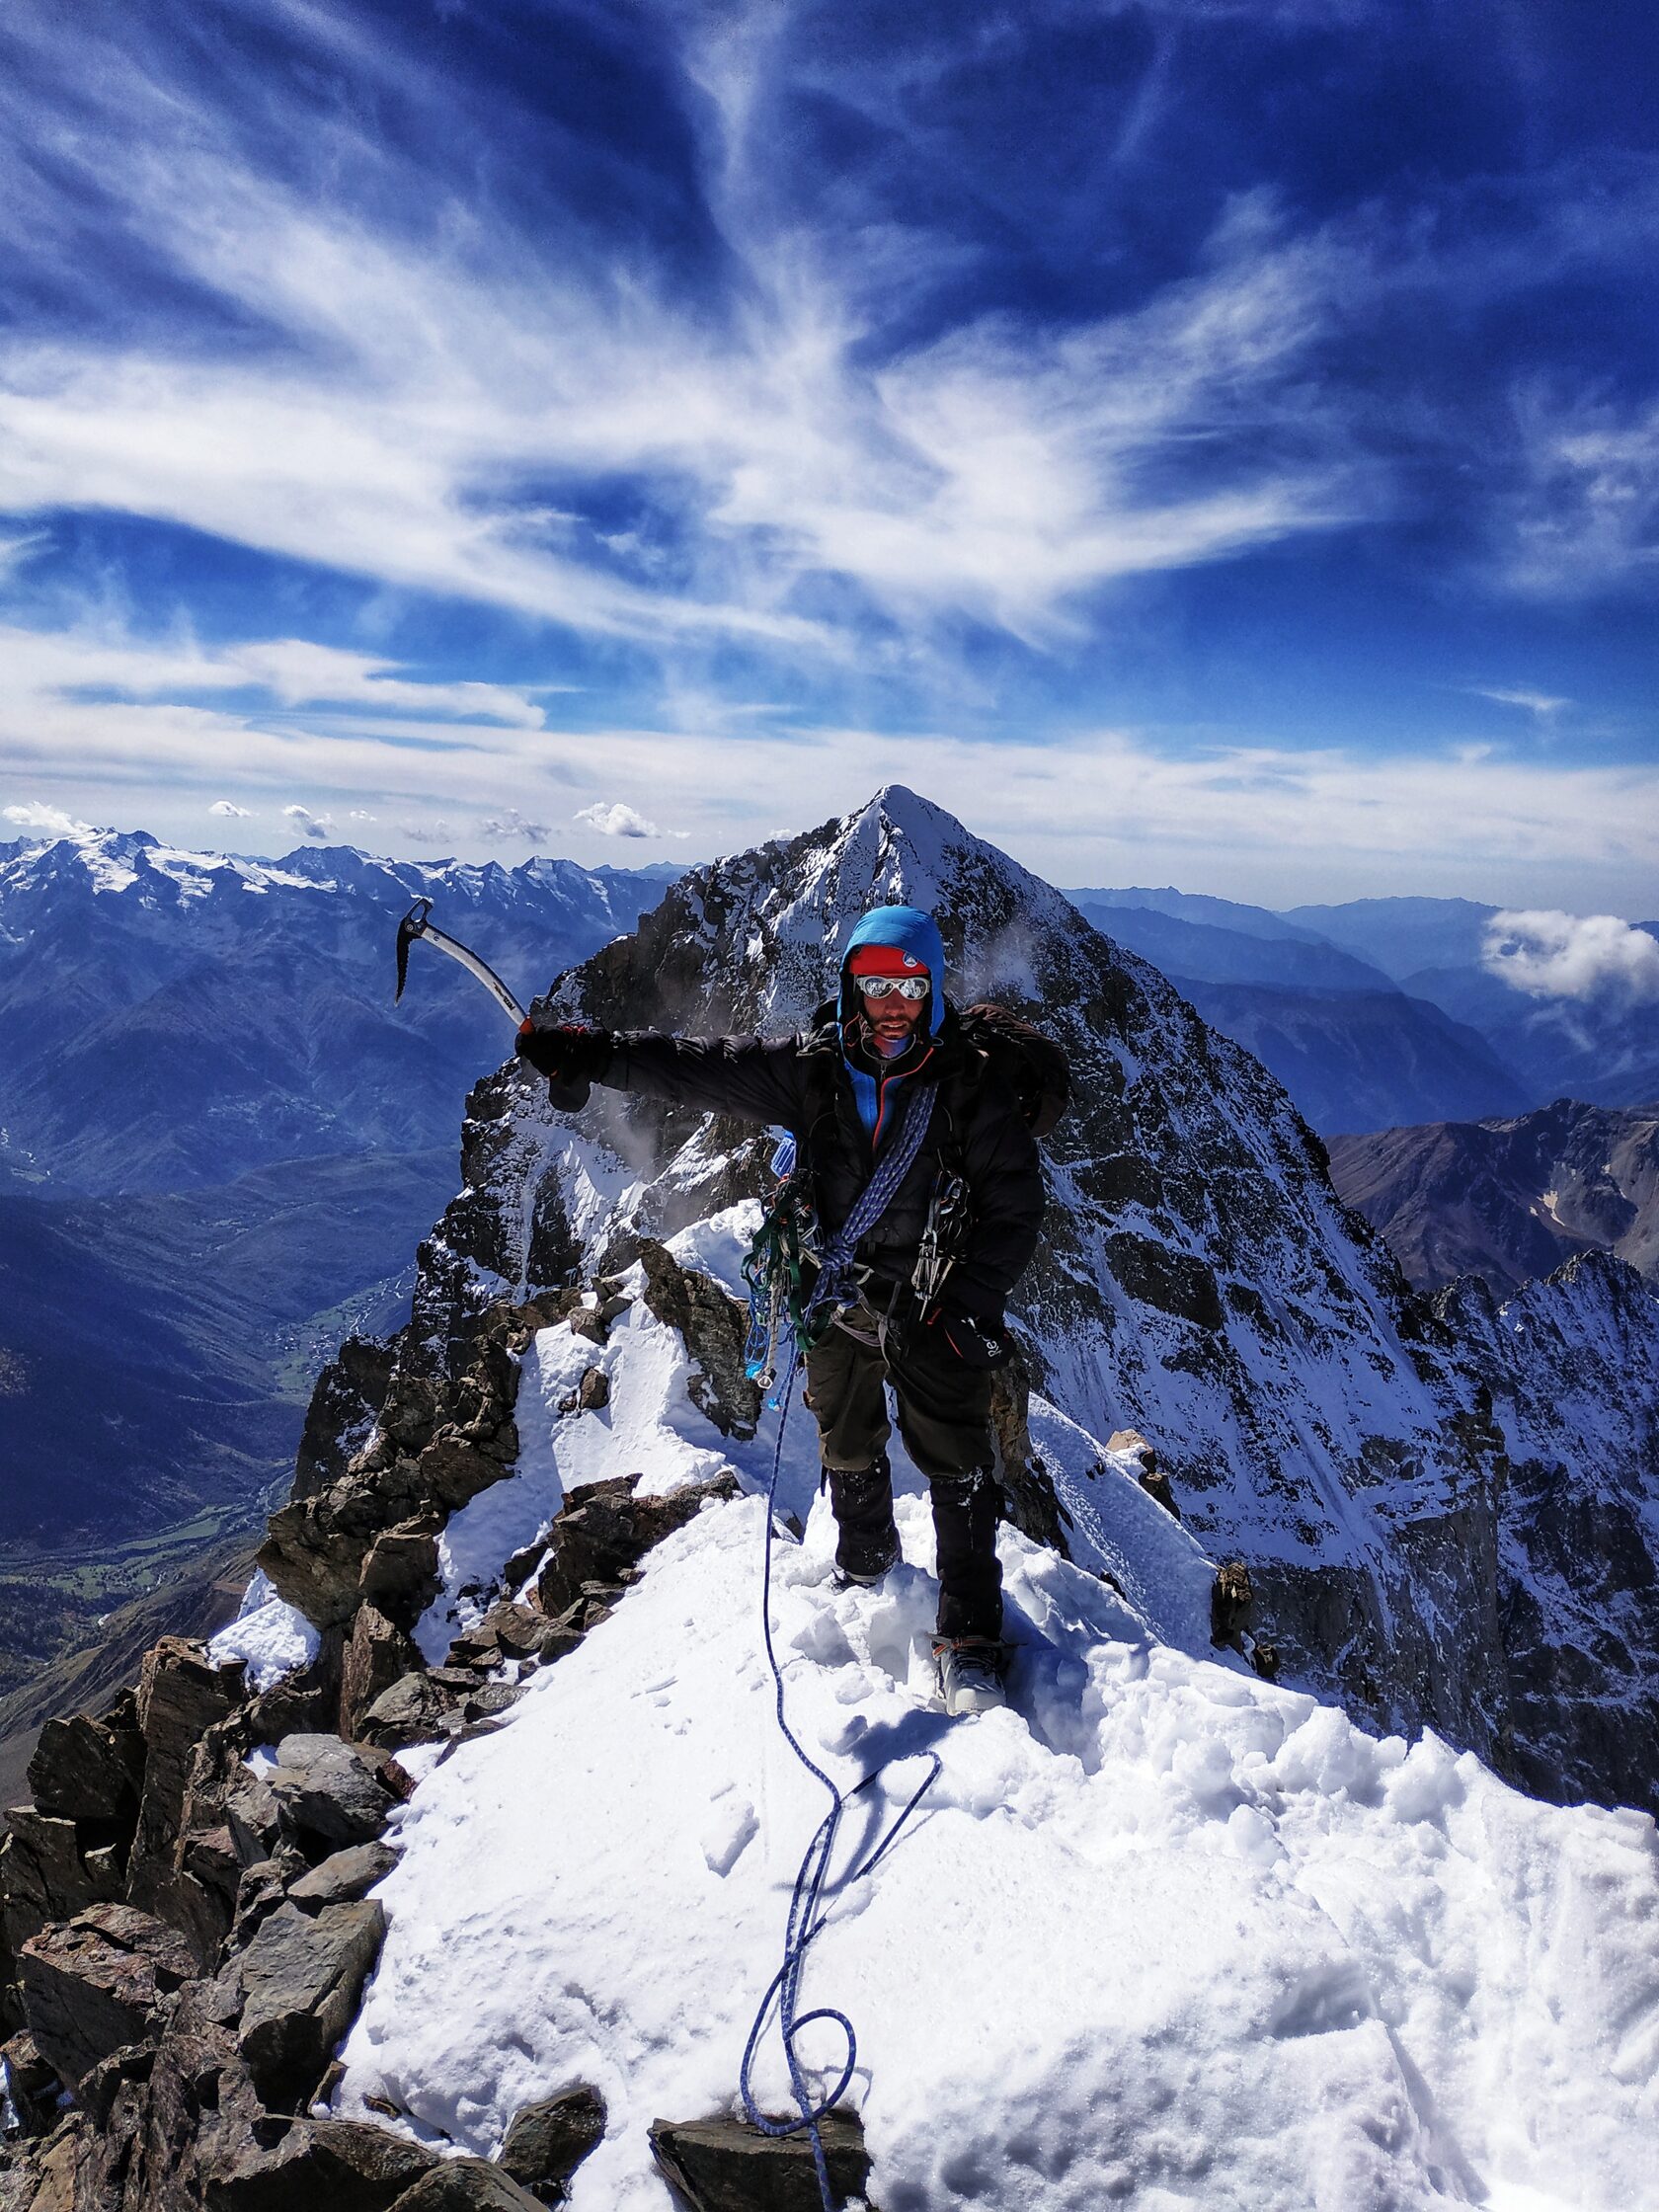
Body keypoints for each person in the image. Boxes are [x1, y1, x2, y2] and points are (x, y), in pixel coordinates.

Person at [514, 904, 1045, 1715]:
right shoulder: (815, 1069)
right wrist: (596, 1052)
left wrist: (968, 1304)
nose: (893, 1003)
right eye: (876, 986)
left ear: (933, 988)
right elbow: (700, 1065)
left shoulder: (969, 1088)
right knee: (844, 1428)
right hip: (837, 1289)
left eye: (908, 985)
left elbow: (1014, 1207)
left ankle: (969, 1635)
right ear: (852, 988)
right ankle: (866, 1560)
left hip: (937, 1303)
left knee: (958, 1460)